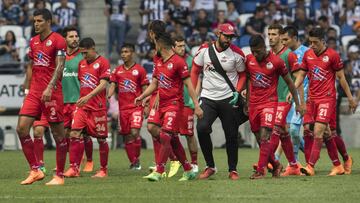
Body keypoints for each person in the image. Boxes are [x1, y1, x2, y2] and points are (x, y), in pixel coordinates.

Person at [135, 32, 203, 182]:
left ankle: (159, 170)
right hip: (161, 104)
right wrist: (143, 96)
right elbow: (155, 84)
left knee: (166, 135)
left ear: (161, 46)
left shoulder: (179, 62)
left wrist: (196, 105)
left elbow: (189, 85)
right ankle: (188, 168)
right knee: (152, 128)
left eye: (155, 45)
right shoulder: (159, 61)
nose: (154, 48)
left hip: (174, 104)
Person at [294, 27, 358, 176]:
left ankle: (310, 166)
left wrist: (350, 98)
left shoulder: (332, 55)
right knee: (327, 132)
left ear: (323, 41)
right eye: (310, 42)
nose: (312, 45)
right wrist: (294, 90)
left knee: (318, 131)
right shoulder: (308, 55)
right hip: (312, 99)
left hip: (327, 99)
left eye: (315, 42)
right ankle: (341, 163)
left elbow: (341, 78)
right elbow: (301, 75)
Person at [17, 8, 67, 185]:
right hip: (34, 93)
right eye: (34, 21)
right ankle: (35, 170)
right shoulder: (33, 41)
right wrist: (27, 88)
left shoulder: (59, 40)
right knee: (22, 128)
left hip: (51, 92)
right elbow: (31, 66)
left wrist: (50, 87)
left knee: (58, 134)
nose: (36, 24)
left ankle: (59, 175)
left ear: (48, 22)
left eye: (39, 21)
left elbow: (60, 66)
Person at [191, 23, 248, 180]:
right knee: (202, 128)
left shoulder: (237, 54)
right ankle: (210, 166)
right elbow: (195, 71)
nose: (228, 39)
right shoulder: (203, 50)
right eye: (226, 36)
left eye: (231, 37)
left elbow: (243, 75)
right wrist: (193, 97)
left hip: (229, 98)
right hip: (208, 97)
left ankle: (233, 169)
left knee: (231, 134)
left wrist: (237, 91)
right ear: (218, 34)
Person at [245, 35, 302, 179]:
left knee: (265, 136)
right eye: (253, 51)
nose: (255, 55)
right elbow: (247, 80)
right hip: (254, 104)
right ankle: (276, 165)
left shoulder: (276, 61)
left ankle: (260, 170)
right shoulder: (249, 60)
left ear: (264, 48)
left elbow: (290, 82)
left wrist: (298, 103)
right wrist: (247, 102)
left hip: (270, 103)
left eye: (258, 51)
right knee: (260, 140)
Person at [66, 37, 110, 178]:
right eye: (82, 53)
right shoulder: (81, 64)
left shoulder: (103, 62)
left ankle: (103, 170)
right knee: (74, 134)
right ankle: (74, 168)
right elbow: (83, 83)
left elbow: (103, 84)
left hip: (98, 107)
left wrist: (88, 97)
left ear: (93, 48)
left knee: (101, 139)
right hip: (83, 107)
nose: (84, 56)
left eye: (86, 53)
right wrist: (83, 98)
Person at [266, 24, 302, 176]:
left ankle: (265, 162)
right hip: (271, 99)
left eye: (274, 34)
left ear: (281, 36)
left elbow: (300, 74)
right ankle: (293, 166)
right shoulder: (268, 56)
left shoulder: (289, 55)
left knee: (274, 129)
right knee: (284, 132)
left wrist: (297, 97)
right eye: (269, 34)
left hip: (285, 99)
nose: (271, 37)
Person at [59, 26, 94, 175]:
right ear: (64, 39)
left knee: (80, 134)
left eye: (76, 36)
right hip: (63, 100)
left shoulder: (83, 56)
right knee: (67, 134)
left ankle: (82, 163)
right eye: (71, 36)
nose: (75, 39)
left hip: (79, 101)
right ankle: (74, 163)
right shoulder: (59, 57)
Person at [108, 43, 149, 170]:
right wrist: (109, 95)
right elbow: (113, 85)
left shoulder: (140, 70)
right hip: (123, 108)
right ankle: (134, 161)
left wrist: (146, 105)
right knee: (126, 136)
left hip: (136, 107)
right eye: (122, 52)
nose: (123, 54)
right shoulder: (117, 70)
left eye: (126, 51)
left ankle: (136, 160)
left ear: (133, 53)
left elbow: (145, 89)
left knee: (134, 131)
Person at [167, 35, 199, 177]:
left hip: (186, 103)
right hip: (172, 102)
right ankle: (177, 160)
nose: (182, 48)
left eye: (183, 45)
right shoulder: (168, 61)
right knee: (170, 134)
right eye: (179, 46)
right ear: (172, 47)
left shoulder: (190, 61)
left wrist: (194, 100)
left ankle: (194, 163)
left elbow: (197, 81)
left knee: (189, 134)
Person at [278, 25, 309, 166]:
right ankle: (306, 158)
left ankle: (294, 162)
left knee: (294, 130)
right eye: (282, 39)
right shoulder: (284, 55)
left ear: (295, 38)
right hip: (290, 97)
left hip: (306, 96)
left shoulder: (307, 53)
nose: (283, 42)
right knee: (290, 130)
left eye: (286, 39)